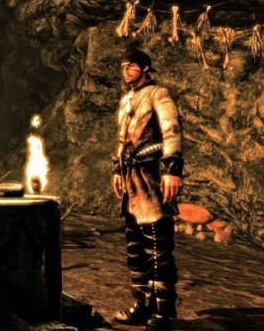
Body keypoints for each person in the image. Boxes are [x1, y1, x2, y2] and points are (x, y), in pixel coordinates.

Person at [112, 48, 183, 331]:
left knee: (157, 247)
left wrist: (172, 170)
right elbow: (122, 140)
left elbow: (171, 131)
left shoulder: (158, 94)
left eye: (131, 66)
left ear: (144, 68)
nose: (126, 71)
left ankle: (162, 311)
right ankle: (141, 305)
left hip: (151, 179)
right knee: (135, 248)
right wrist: (117, 170)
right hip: (130, 181)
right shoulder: (126, 99)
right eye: (123, 66)